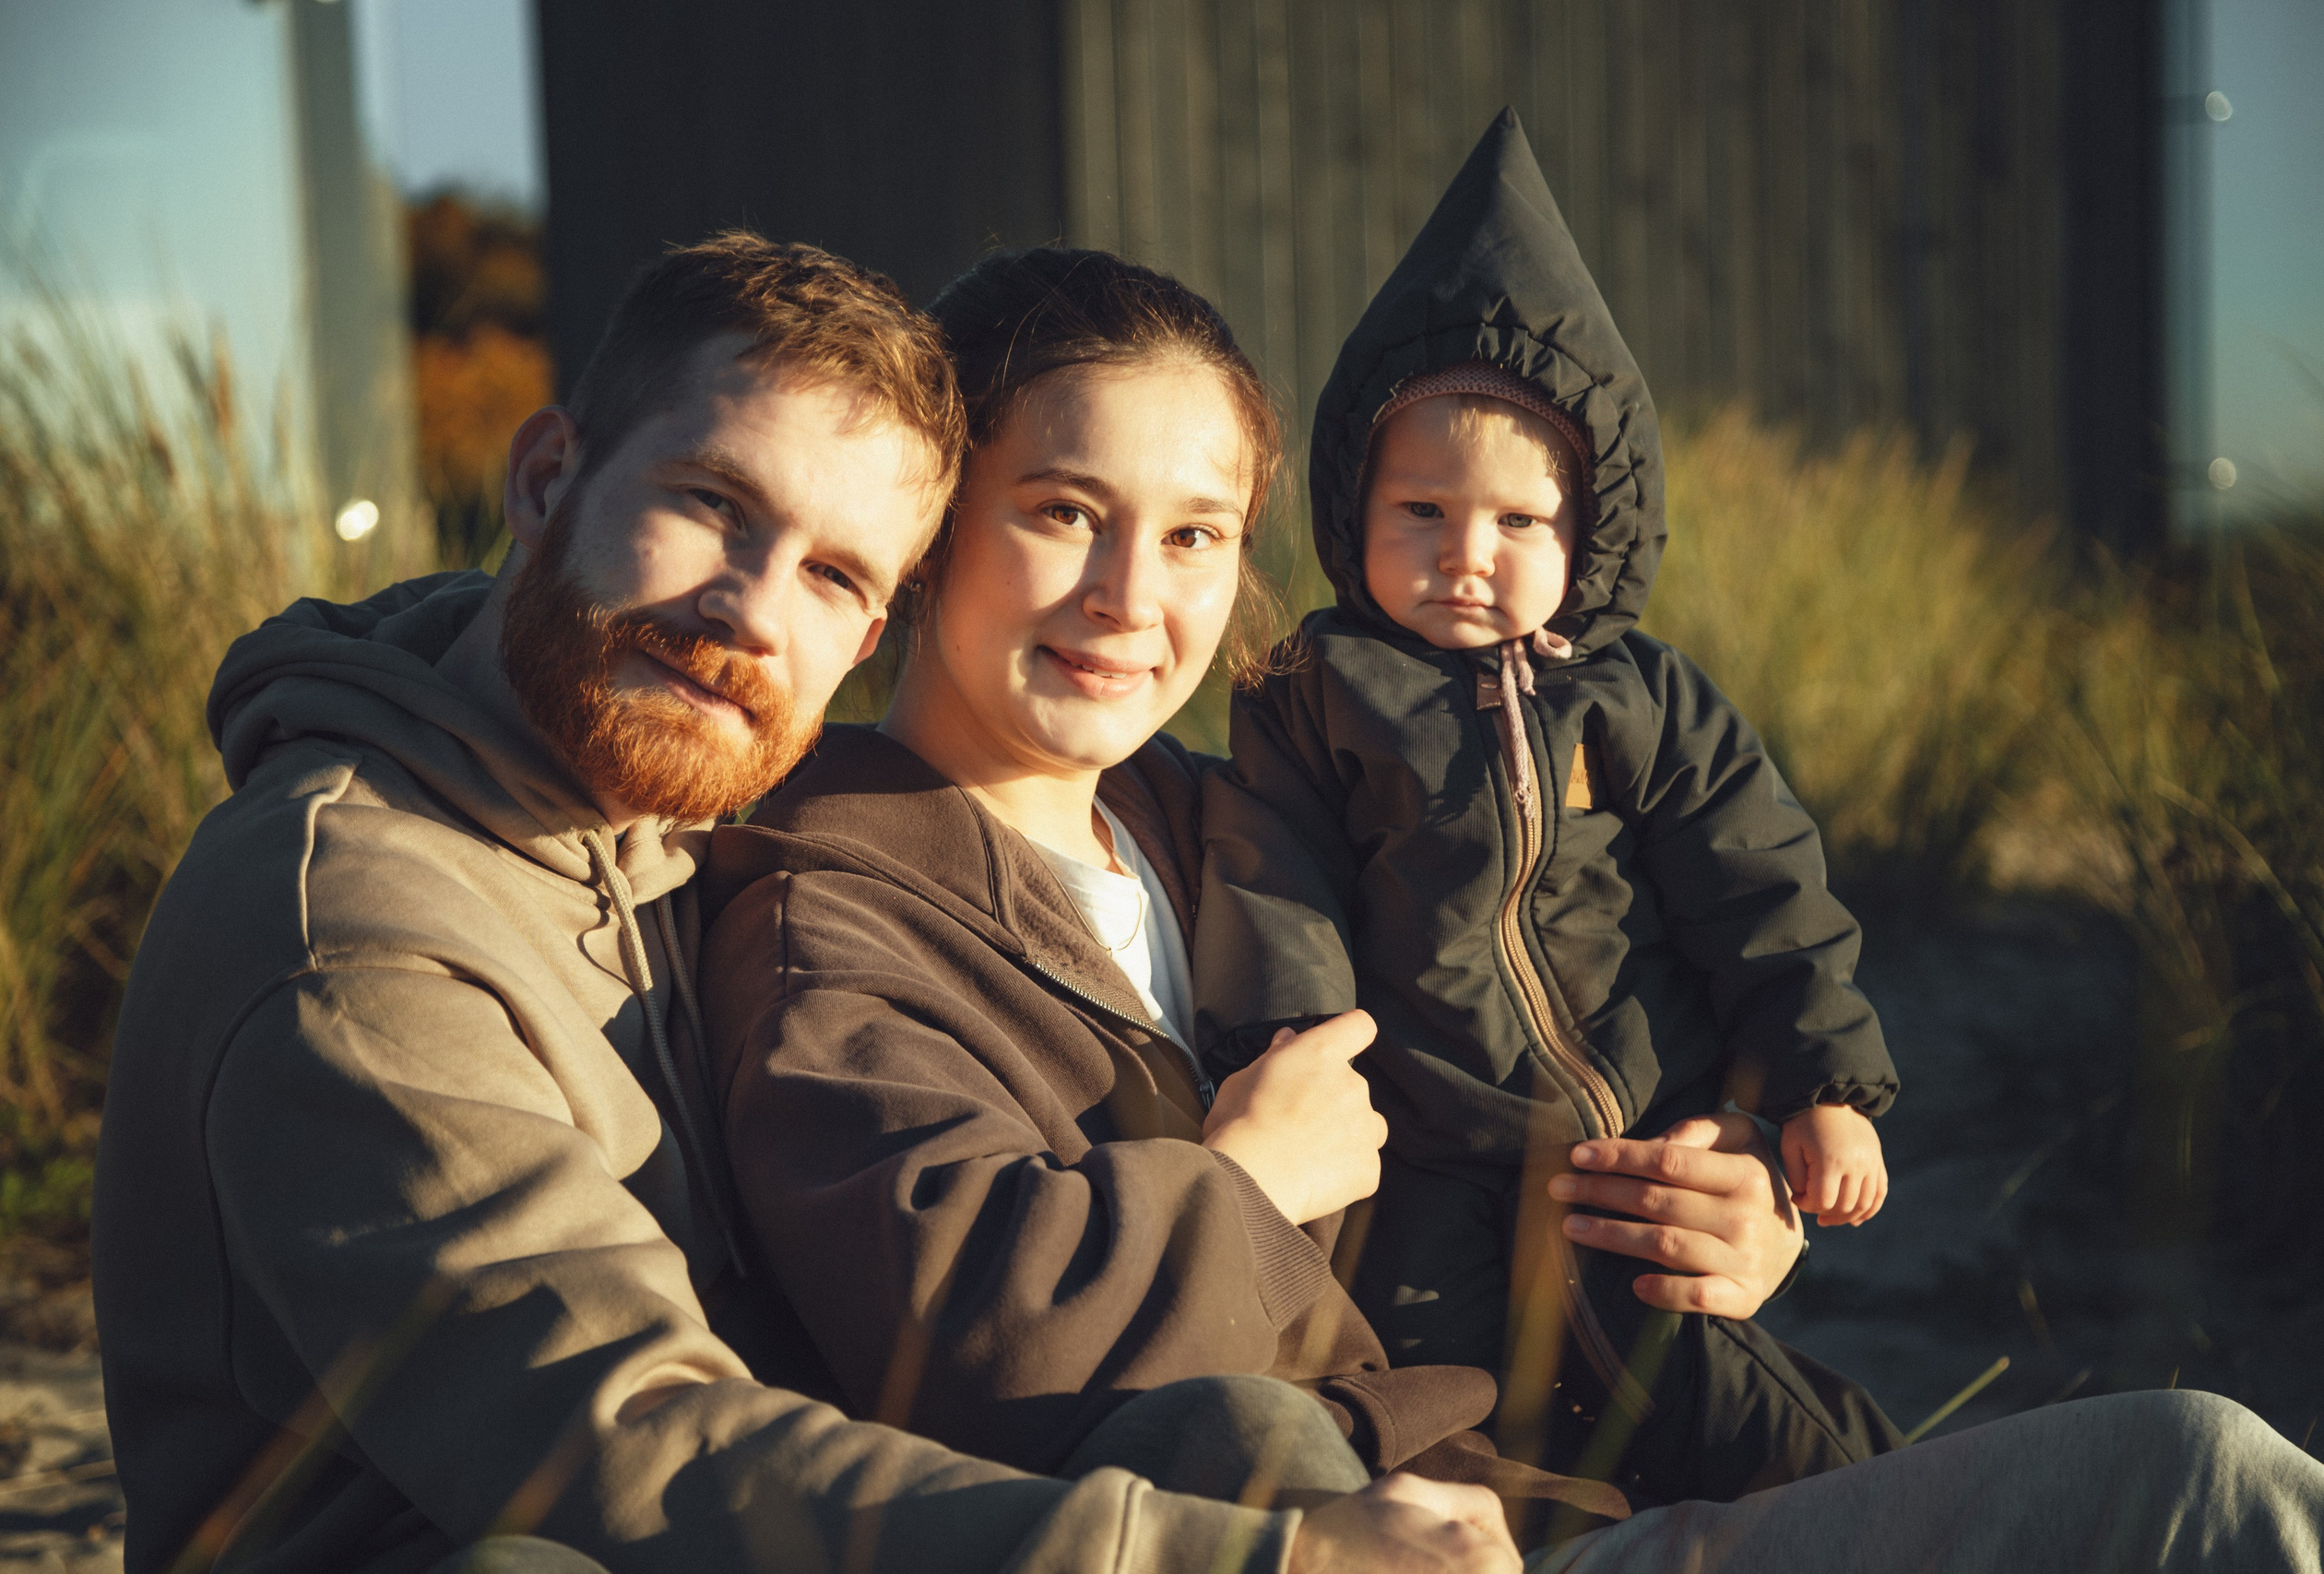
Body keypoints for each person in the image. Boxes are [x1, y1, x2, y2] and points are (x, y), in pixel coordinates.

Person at [89, 232, 1516, 1574]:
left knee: (1234, 1437)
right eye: (713, 506)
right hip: (542, 1532)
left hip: (758, 1507)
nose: (753, 613)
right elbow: (617, 1446)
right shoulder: (345, 931)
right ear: (543, 482)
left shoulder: (644, 813)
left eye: (834, 574)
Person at [696, 246, 1629, 1541]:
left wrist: (1735, 1183)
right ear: (930, 528)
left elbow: (1523, 1040)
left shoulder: (1234, 823)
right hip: (1311, 1525)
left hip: (1543, 1473)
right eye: (1065, 511)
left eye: (1194, 536)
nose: (1131, 598)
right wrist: (1238, 1187)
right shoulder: (823, 918)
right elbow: (965, 1345)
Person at [1193, 109, 1900, 1503]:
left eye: (1519, 523)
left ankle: (1915, 1510)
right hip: (1435, 1151)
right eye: (1422, 513)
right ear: (1354, 509)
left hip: (1650, 1142)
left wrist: (1825, 1089)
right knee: (1439, 1399)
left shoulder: (1643, 698)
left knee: (1732, 1411)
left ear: (1590, 533)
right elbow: (1274, 872)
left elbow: (1765, 889)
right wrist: (1292, 1040)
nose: (1468, 556)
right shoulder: (1314, 688)